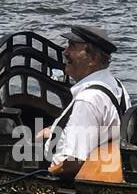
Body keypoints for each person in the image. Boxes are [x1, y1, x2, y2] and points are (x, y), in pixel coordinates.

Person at [41, 25, 131, 178]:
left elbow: (74, 162)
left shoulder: (88, 100)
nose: (65, 52)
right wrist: (55, 130)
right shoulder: (116, 85)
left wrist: (43, 174)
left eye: (72, 46)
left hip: (64, 181)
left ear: (93, 59)